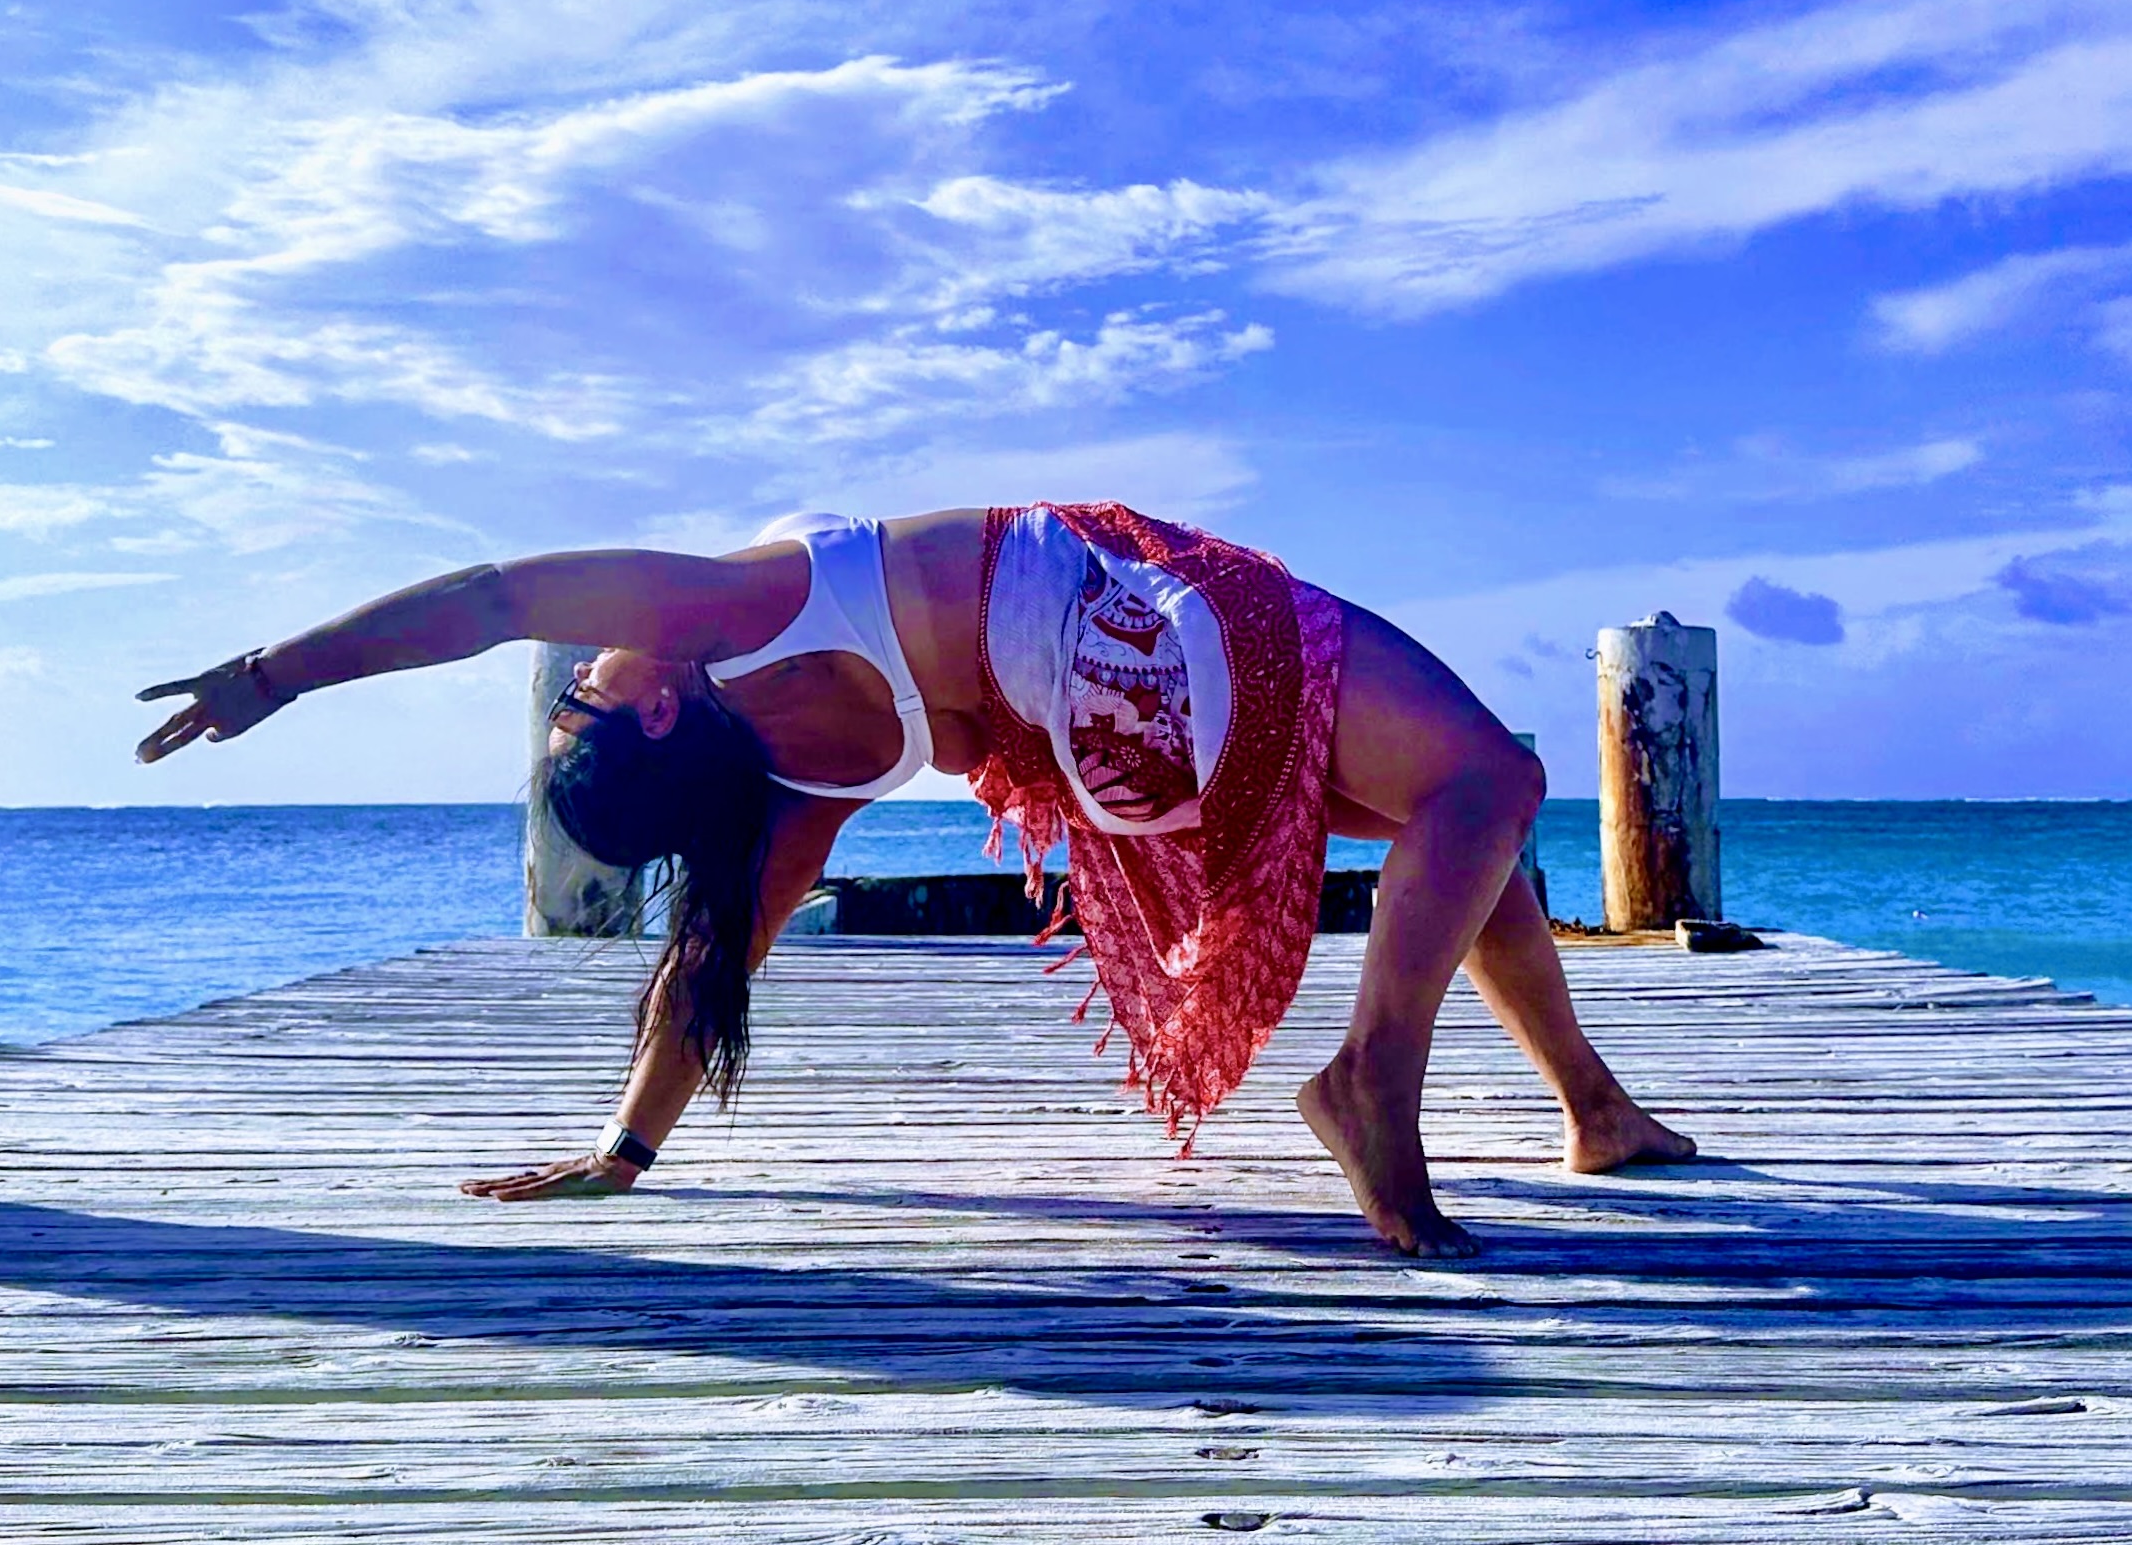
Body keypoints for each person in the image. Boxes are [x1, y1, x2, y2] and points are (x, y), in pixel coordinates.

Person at [135, 504, 1692, 1256]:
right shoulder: (729, 605)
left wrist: (620, 1151)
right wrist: (278, 670)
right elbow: (484, 596)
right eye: (581, 697)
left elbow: (713, 965)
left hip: (1114, 757)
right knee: (1485, 775)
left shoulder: (792, 778)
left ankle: (1593, 1111)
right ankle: (1370, 1088)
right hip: (1128, 646)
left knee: (1459, 822)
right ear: (657, 701)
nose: (576, 672)